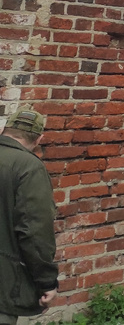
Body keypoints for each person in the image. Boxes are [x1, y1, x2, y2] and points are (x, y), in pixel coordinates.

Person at [0, 108, 58, 324]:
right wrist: (47, 282)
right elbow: (34, 232)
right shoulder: (28, 167)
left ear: (3, 130)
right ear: (39, 139)